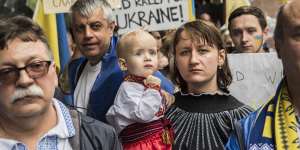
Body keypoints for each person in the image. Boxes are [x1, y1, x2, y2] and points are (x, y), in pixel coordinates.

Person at [0, 16, 121, 150]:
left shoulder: (103, 139)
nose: (24, 80)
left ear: (55, 73)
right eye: (7, 72)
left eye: (36, 65)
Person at [68, 0, 174, 122]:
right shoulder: (75, 68)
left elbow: (169, 100)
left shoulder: (131, 64)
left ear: (111, 28)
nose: (87, 34)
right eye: (80, 28)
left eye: (95, 26)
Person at [165, 20, 253, 150]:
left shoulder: (244, 119)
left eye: (202, 50)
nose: (193, 60)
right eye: (184, 52)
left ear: (220, 57)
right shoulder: (161, 111)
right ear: (175, 60)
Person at [226, 1, 300, 149]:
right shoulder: (245, 131)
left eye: (251, 31)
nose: (244, 39)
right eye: (237, 33)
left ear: (265, 33)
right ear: (279, 46)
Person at [106, 30, 173, 150]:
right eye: (138, 53)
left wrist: (164, 98)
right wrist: (153, 90)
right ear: (123, 64)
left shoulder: (144, 84)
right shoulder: (127, 88)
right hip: (142, 145)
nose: (147, 58)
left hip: (158, 140)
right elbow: (144, 114)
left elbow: (155, 112)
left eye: (152, 52)